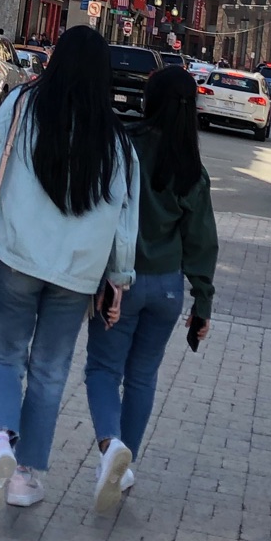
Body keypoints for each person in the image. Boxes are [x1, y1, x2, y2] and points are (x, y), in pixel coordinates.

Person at [0, 25, 139, 519]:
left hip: (16, 255)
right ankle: (25, 476)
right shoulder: (118, 142)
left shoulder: (23, 107)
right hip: (78, 275)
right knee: (50, 371)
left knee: (4, 355)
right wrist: (118, 280)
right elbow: (124, 221)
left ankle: (0, 445)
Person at [83, 64, 218, 511]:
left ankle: (110, 447)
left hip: (121, 282)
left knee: (103, 369)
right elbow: (202, 242)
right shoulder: (193, 169)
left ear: (150, 101)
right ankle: (124, 466)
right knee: (142, 377)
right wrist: (202, 304)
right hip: (168, 290)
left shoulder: (125, 144)